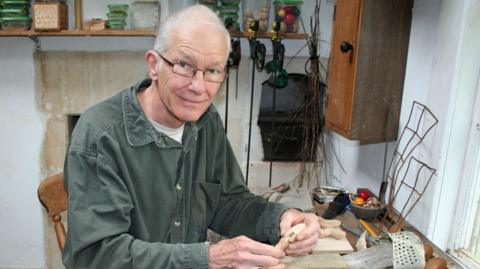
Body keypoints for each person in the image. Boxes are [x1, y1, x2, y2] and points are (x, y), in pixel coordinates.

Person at [63, 4, 320, 269]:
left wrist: (281, 218)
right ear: (154, 65)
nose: (198, 87)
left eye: (212, 71)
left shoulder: (206, 121)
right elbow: (95, 255)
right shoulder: (100, 135)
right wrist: (208, 258)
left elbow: (227, 201)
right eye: (184, 65)